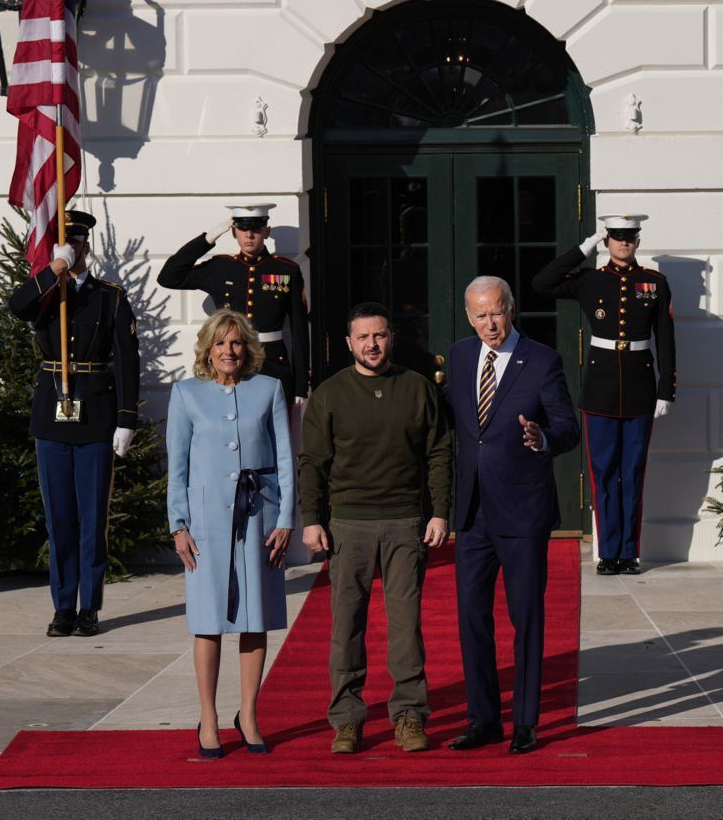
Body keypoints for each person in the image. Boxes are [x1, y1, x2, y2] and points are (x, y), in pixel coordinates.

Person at [299, 302, 451, 755]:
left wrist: (440, 512)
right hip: (348, 524)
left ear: (391, 338)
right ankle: (347, 719)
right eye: (363, 337)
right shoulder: (329, 394)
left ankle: (408, 714)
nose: (372, 344)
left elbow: (439, 453)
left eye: (379, 335)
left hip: (406, 522)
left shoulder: (417, 388)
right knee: (347, 625)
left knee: (405, 627)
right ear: (349, 343)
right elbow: (313, 464)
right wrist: (312, 520)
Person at [443, 276, 579, 755]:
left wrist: (543, 438)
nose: (489, 324)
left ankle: (525, 722)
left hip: (523, 511)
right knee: (471, 616)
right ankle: (483, 718)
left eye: (496, 313)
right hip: (473, 510)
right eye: (479, 315)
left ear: (512, 308)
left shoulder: (542, 360)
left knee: (526, 617)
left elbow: (568, 428)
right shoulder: (460, 356)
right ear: (468, 316)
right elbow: (447, 425)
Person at [167, 309, 294, 759]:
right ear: (207, 348)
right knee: (208, 620)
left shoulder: (270, 389)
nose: (228, 351)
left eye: (236, 343)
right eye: (220, 343)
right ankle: (208, 717)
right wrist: (177, 524)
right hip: (204, 522)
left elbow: (285, 458)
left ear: (248, 348)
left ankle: (249, 714)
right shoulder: (185, 394)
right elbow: (177, 466)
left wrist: (286, 519)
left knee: (254, 617)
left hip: (260, 516)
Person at [7, 209, 139, 638]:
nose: (74, 249)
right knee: (59, 517)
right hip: (53, 415)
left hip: (96, 414)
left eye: (78, 243)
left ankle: (89, 607)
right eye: (67, 244)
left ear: (88, 245)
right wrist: (54, 269)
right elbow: (16, 305)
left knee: (91, 519)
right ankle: (63, 606)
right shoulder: (46, 292)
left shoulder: (110, 296)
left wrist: (126, 420)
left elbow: (127, 360)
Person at [532, 215, 676, 576]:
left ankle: (629, 553)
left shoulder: (655, 283)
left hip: (641, 388)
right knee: (603, 472)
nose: (623, 243)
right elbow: (542, 282)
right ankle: (608, 551)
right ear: (607, 242)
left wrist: (665, 389)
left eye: (629, 237)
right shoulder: (590, 279)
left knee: (633, 472)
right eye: (616, 237)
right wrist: (585, 245)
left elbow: (666, 340)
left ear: (638, 242)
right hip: (599, 389)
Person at [158, 203, 310, 402]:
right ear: (233, 232)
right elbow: (169, 277)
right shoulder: (220, 268)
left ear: (267, 231)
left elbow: (299, 330)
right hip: (227, 364)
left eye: (256, 229)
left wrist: (300, 385)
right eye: (243, 229)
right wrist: (208, 238)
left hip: (272, 363)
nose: (249, 235)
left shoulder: (286, 270)